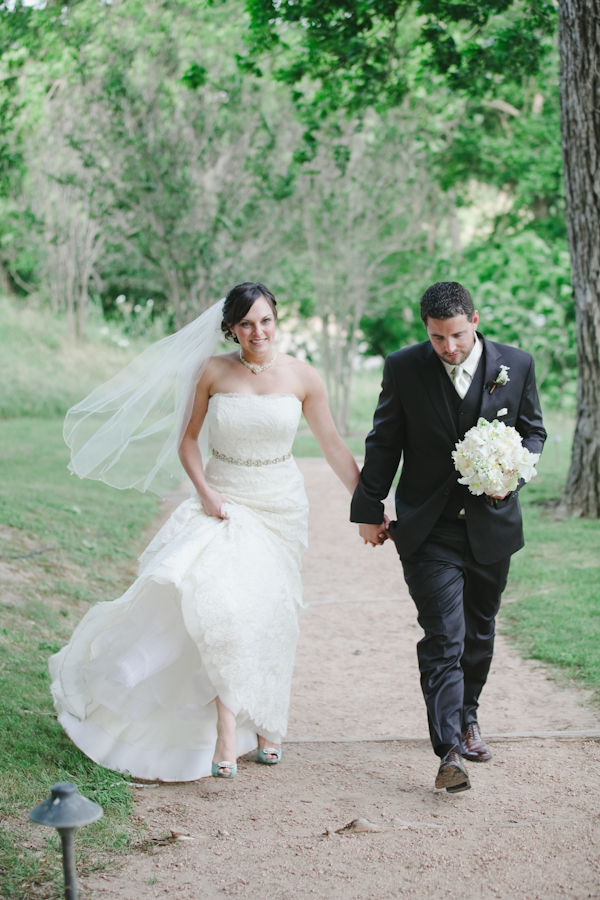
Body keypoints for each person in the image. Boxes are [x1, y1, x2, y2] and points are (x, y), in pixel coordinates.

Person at [50, 282, 359, 781]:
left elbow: (333, 447)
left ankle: (269, 721)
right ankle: (225, 724)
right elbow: (188, 441)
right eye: (245, 324)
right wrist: (207, 493)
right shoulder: (212, 371)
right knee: (224, 607)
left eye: (265, 320)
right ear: (231, 328)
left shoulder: (304, 376)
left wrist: (368, 505)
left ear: (276, 319)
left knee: (272, 612)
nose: (257, 332)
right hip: (225, 502)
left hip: (280, 505)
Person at [350, 282, 546, 793]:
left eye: (457, 335)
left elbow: (533, 432)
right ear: (427, 331)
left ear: (475, 320)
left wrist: (511, 475)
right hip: (428, 527)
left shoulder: (517, 365)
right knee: (444, 637)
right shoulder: (403, 367)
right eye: (438, 338)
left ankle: (469, 716)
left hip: (492, 525)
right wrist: (369, 508)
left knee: (479, 632)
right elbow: (385, 440)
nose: (449, 347)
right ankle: (449, 750)